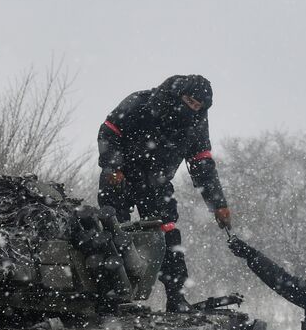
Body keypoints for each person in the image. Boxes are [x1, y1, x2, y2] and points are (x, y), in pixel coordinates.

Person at [97, 74, 232, 312]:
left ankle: (176, 297)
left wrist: (217, 203)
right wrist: (113, 166)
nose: (192, 108)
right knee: (114, 234)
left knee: (169, 237)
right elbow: (109, 131)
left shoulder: (197, 123)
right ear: (178, 95)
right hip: (121, 177)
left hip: (157, 184)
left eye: (198, 106)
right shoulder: (139, 103)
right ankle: (111, 298)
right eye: (190, 101)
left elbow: (202, 165)